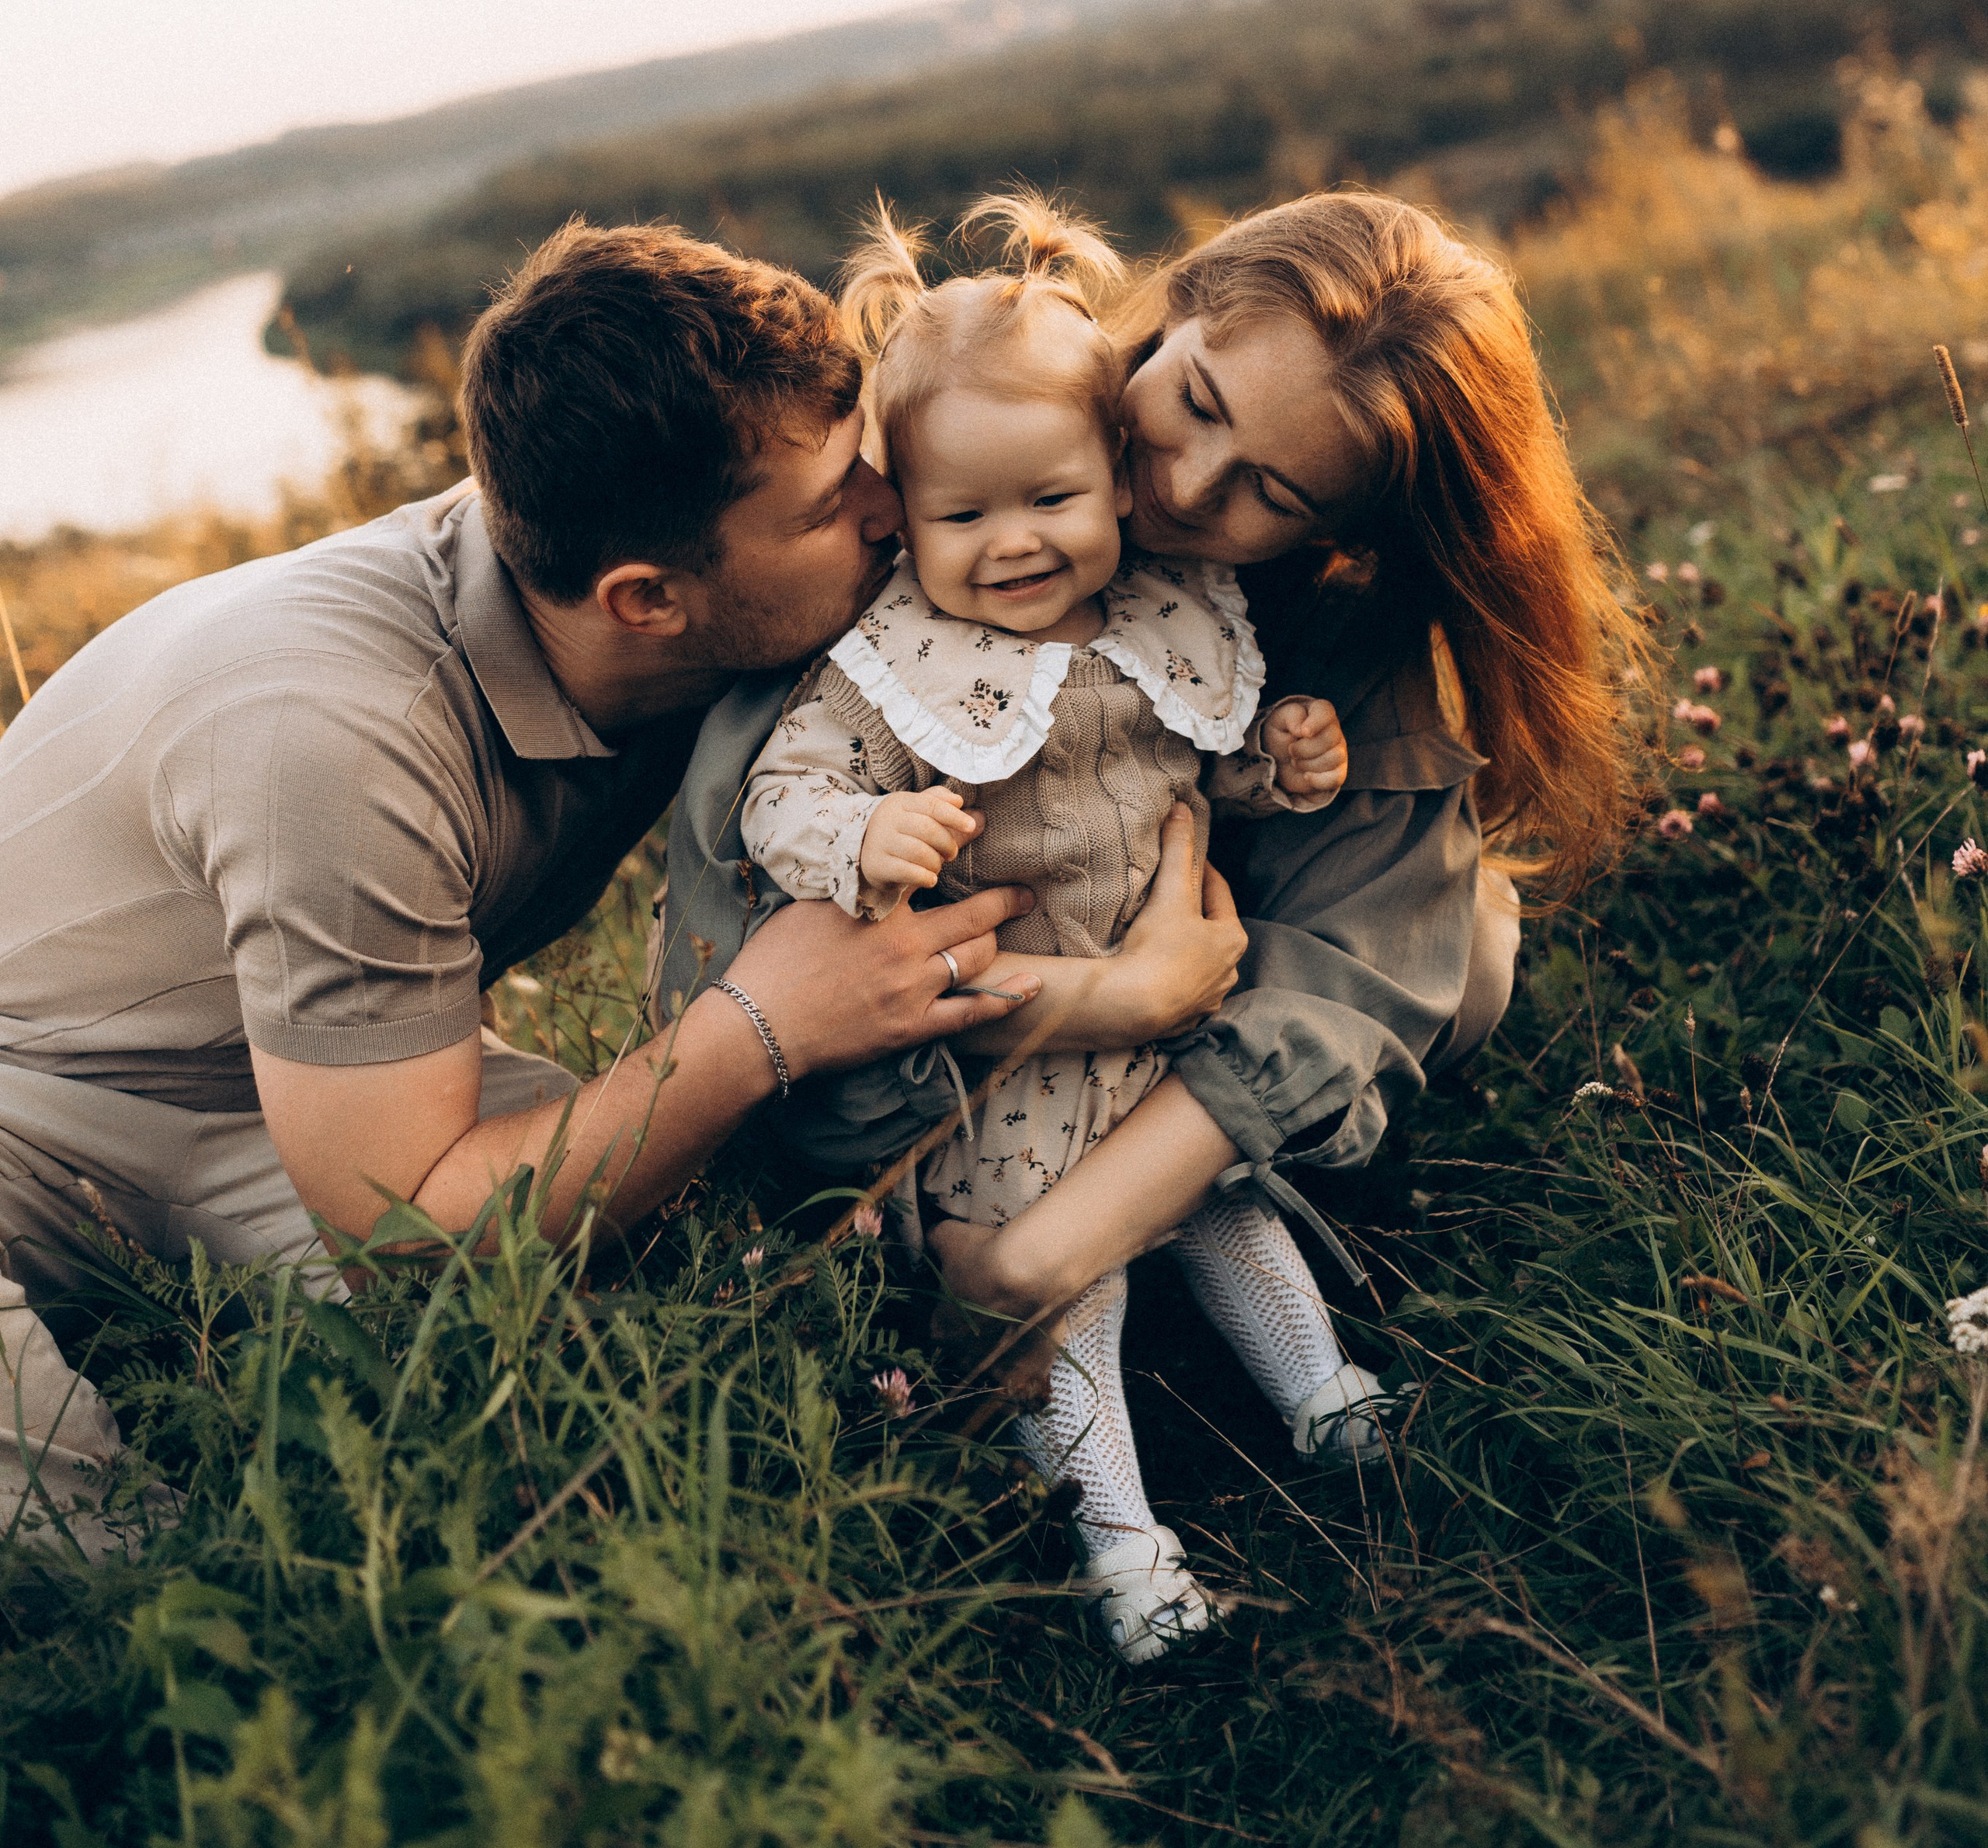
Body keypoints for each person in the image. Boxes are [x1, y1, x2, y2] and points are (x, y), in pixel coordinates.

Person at [0, 218, 1098, 1561]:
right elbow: (404, 1226)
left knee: (717, 1310)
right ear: (647, 601)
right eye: (829, 506)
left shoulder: (708, 585)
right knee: (98, 1554)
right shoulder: (336, 732)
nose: (889, 507)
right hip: (29, 1098)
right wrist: (762, 1027)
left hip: (295, 1079)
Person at [660, 189, 1648, 1631]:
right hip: (912, 1061)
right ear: (1175, 306)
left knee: (1460, 940)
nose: (1182, 487)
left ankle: (1246, 1339)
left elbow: (1360, 959)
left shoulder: (1295, 614)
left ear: (1345, 528)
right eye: (1189, 400)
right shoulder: (966, 481)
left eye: (1272, 492)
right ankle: (1115, 1516)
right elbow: (758, 923)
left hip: (1140, 1053)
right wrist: (1108, 999)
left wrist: (1034, 1263)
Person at [735, 196, 1354, 1661]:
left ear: (1116, 483)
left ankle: (1333, 1406)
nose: (1012, 544)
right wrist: (863, 833)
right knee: (1066, 1305)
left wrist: (1283, 761)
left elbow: (1211, 771)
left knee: (1231, 1215)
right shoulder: (892, 661)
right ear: (903, 508)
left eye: (1051, 501)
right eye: (963, 516)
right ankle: (1124, 1546)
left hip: (1162, 1047)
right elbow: (782, 796)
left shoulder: (1165, 611)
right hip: (1011, 1066)